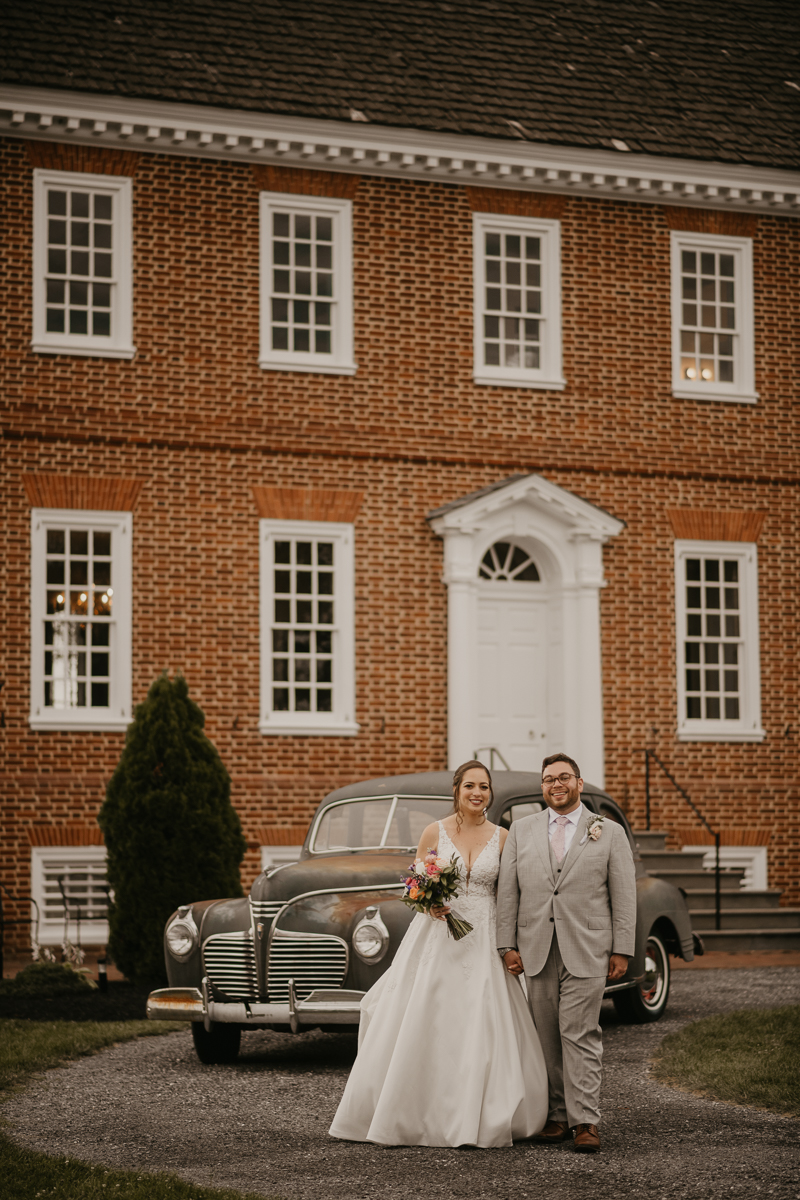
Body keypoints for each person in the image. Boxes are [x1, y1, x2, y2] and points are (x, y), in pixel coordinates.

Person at [329, 760, 548, 1147]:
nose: (477, 793)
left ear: (490, 793)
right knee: (426, 1013)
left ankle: (480, 1113)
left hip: (483, 935)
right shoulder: (435, 831)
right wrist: (429, 904)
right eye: (469, 786)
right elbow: (415, 885)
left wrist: (509, 941)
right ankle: (413, 1110)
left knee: (482, 1016)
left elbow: (509, 894)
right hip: (438, 933)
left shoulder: (503, 837)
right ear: (457, 790)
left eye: (484, 786)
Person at [496, 753, 637, 1154]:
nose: (555, 785)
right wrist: (506, 945)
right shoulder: (521, 831)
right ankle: (557, 1115)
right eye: (548, 780)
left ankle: (585, 1120)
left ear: (578, 781)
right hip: (535, 949)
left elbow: (623, 896)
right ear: (542, 787)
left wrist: (622, 949)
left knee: (580, 1033)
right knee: (545, 1037)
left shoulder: (607, 831)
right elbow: (509, 892)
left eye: (563, 778)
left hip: (588, 948)